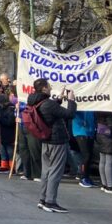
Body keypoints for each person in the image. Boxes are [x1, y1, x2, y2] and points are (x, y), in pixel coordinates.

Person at [27, 78, 76, 213]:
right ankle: (50, 201)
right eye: (49, 86)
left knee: (46, 171)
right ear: (44, 88)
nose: (50, 87)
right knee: (55, 171)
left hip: (46, 140)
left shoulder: (35, 101)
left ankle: (43, 199)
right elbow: (69, 114)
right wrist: (71, 100)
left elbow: (50, 110)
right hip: (57, 140)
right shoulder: (47, 103)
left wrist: (59, 100)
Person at [93, 112, 112, 195]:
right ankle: (110, 186)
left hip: (100, 135)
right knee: (109, 161)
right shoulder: (110, 114)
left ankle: (104, 184)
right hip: (109, 138)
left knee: (103, 160)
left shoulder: (99, 112)